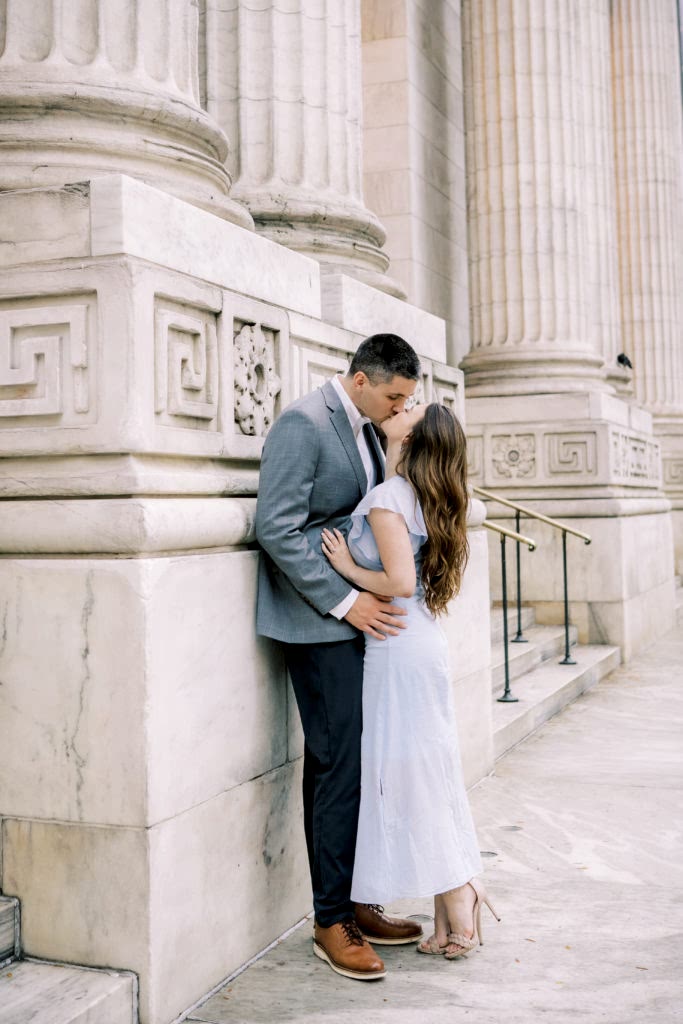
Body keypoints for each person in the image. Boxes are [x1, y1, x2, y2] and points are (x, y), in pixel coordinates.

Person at [255, 334, 425, 982]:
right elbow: (276, 525)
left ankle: (356, 899)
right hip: (315, 624)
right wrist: (343, 601)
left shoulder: (366, 426)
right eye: (393, 396)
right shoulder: (303, 422)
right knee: (335, 768)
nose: (399, 407)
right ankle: (330, 922)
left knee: (357, 766)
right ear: (359, 379)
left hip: (355, 620)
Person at [321, 402, 499, 961]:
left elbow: (398, 581)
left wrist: (347, 569)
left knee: (414, 773)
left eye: (410, 409)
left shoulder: (386, 499)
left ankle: (460, 890)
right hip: (413, 644)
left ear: (411, 436)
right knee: (429, 769)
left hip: (397, 650)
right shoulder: (412, 494)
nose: (400, 406)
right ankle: (455, 900)